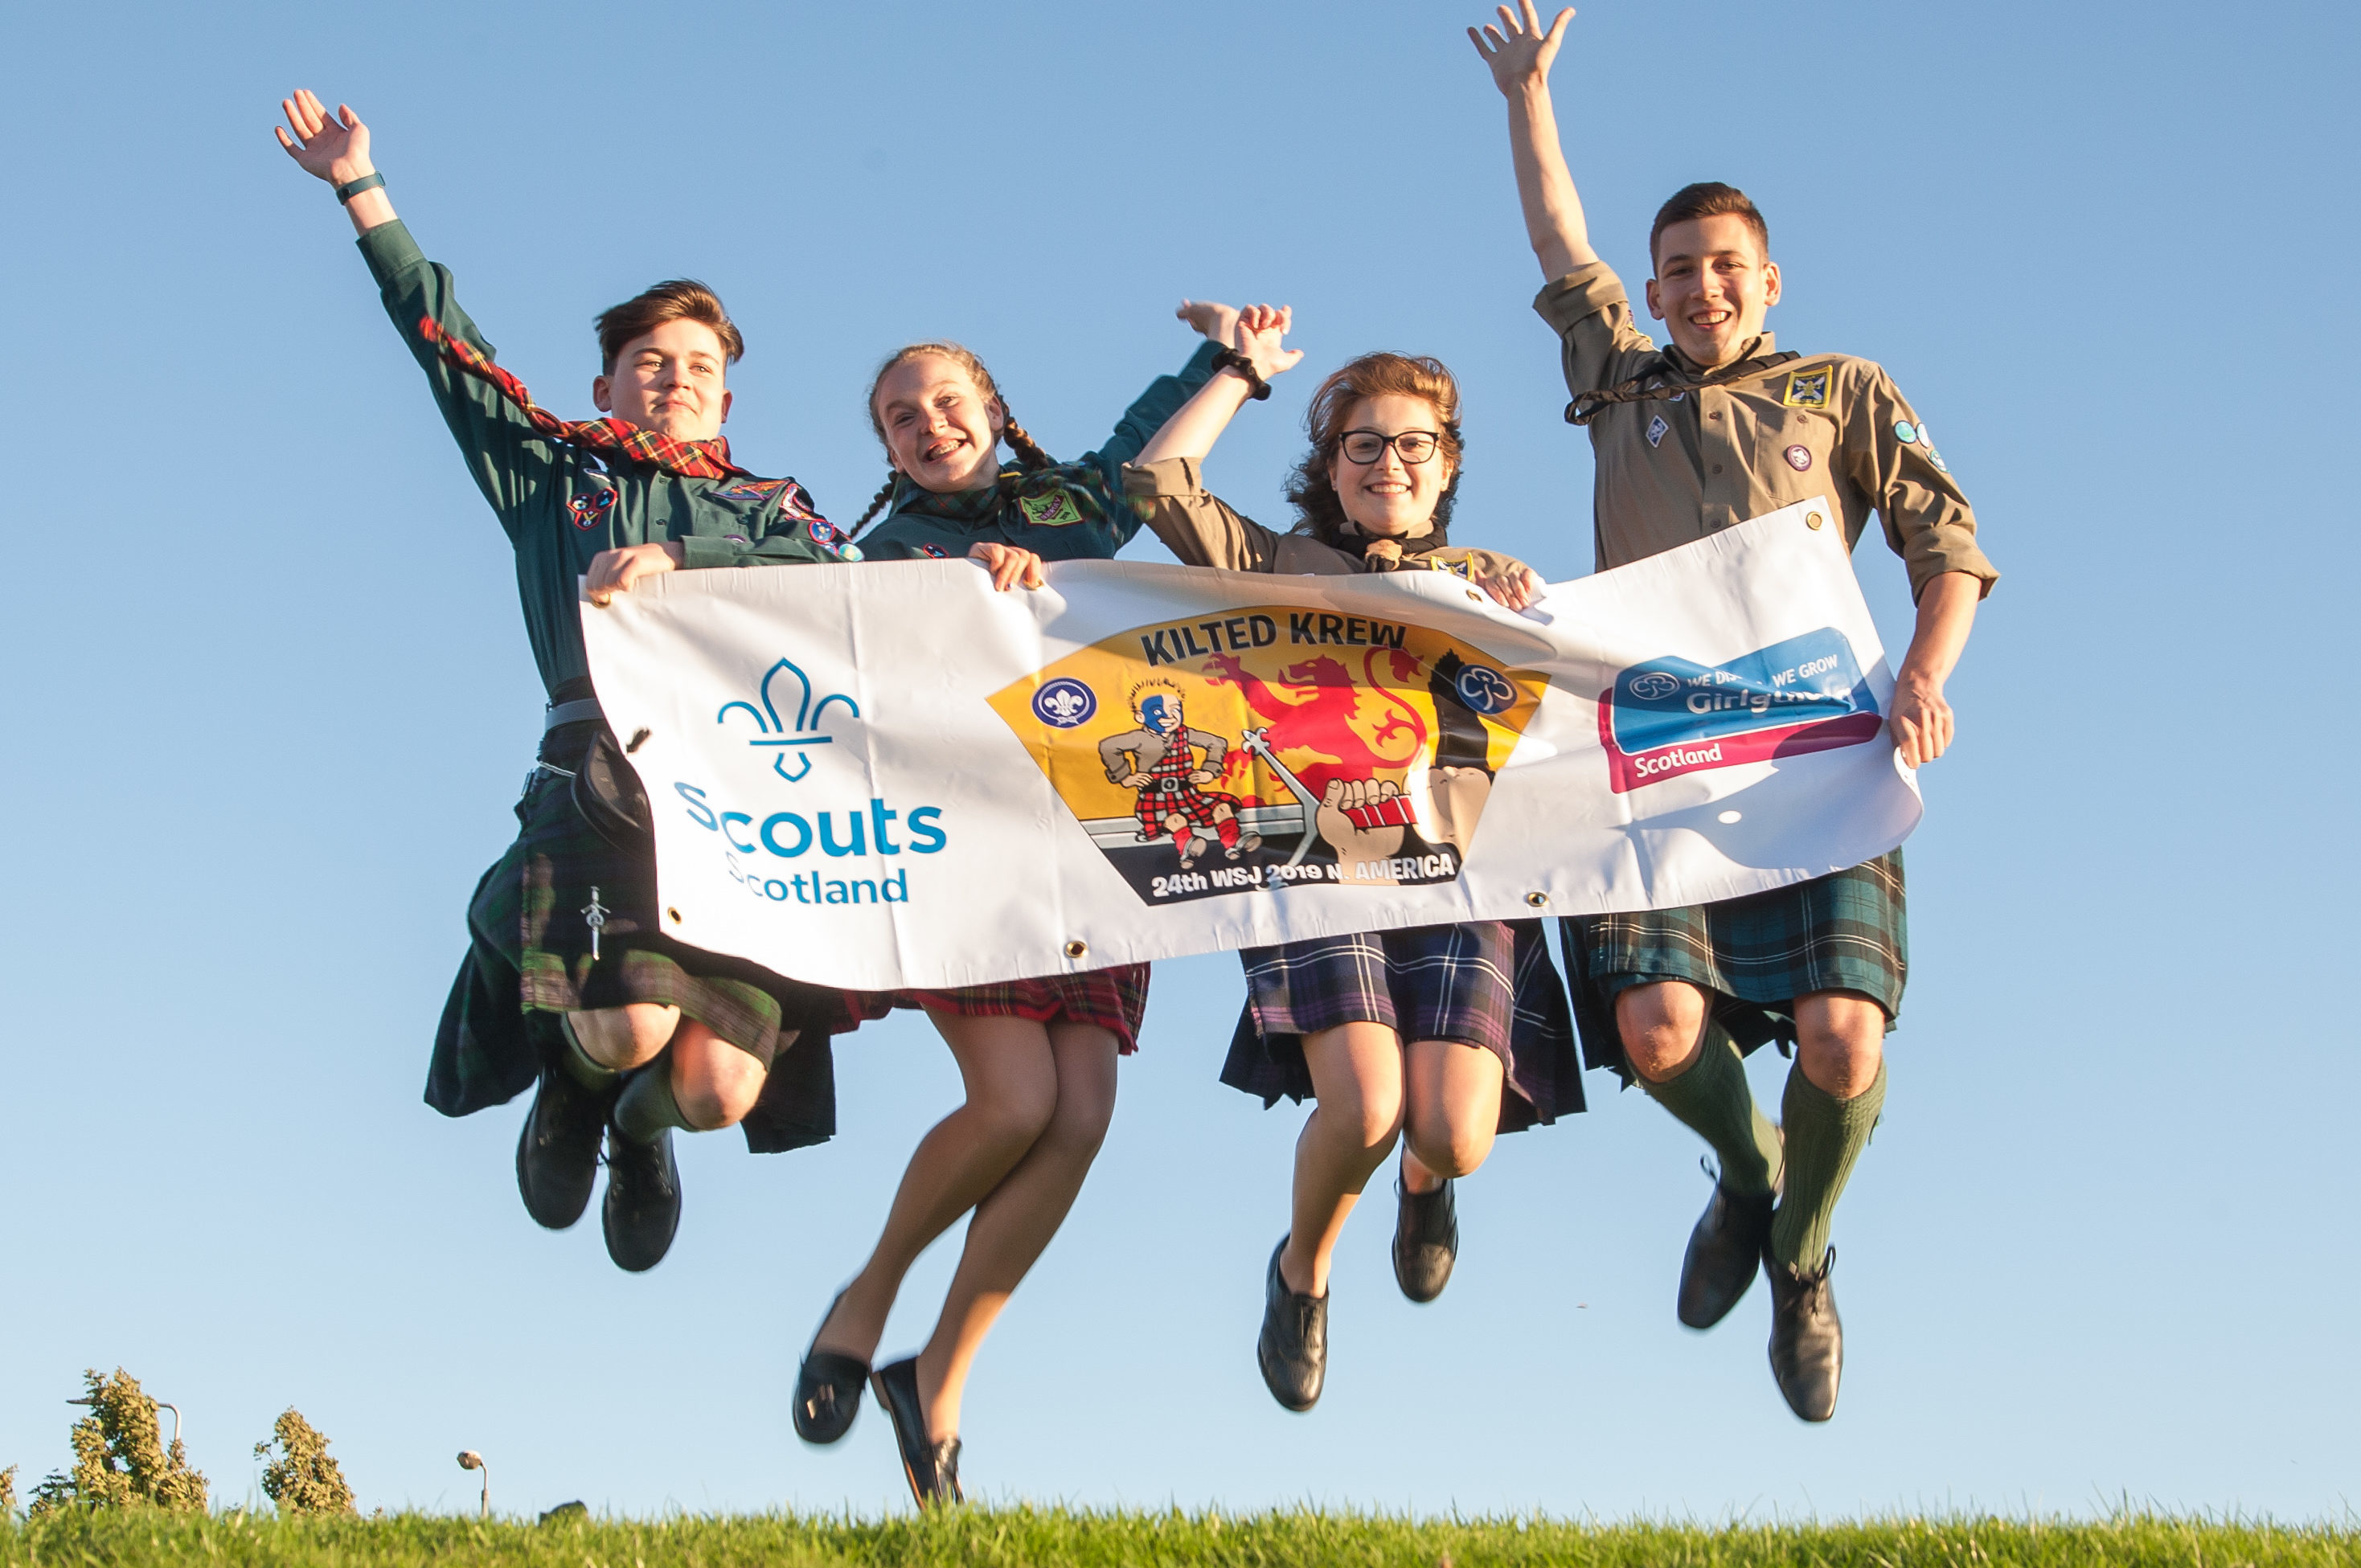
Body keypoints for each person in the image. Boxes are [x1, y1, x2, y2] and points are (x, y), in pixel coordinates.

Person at [1469, 4, 2000, 1421]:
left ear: (1768, 281)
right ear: (1653, 287)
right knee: (1651, 1027)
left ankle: (1802, 1258)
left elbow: (1946, 548)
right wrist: (1529, 96)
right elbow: (1554, 244)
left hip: (1815, 749)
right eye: (1676, 271)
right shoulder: (1615, 382)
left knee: (1841, 1040)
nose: (1699, 288)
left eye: (1723, 268)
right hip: (1655, 753)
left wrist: (1922, 676)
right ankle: (1748, 1175)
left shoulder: (1844, 390)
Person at [275, 90, 860, 1275]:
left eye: (697, 366)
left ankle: (642, 1132)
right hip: (596, 779)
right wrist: (361, 189)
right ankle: (577, 1098)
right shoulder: (551, 476)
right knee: (627, 1016)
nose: (674, 380)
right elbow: (447, 349)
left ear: (725, 399)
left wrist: (684, 559)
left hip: (749, 793)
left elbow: (844, 590)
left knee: (713, 1089)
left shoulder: (778, 513)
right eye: (650, 362)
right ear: (607, 387)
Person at [791, 328, 1224, 1503]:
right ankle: (867, 1298)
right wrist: (953, 600)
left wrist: (1229, 366)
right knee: (1013, 1100)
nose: (926, 423)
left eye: (942, 400)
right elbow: (817, 646)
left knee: (1078, 1117)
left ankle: (934, 1379)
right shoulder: (882, 553)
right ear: (885, 447)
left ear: (991, 407)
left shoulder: (1071, 508)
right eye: (897, 416)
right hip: (968, 842)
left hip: (1088, 836)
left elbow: (1145, 453)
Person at [1124, 308, 1582, 1413]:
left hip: (1459, 868)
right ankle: (1302, 1274)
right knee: (1365, 1106)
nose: (1389, 464)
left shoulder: (1485, 582)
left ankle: (1426, 1186)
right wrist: (1241, 369)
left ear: (1448, 465)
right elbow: (1157, 487)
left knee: (1448, 1133)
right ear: (1329, 467)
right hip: (1319, 866)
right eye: (1362, 445)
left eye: (1413, 444)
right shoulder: (1281, 564)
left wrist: (1511, 594)